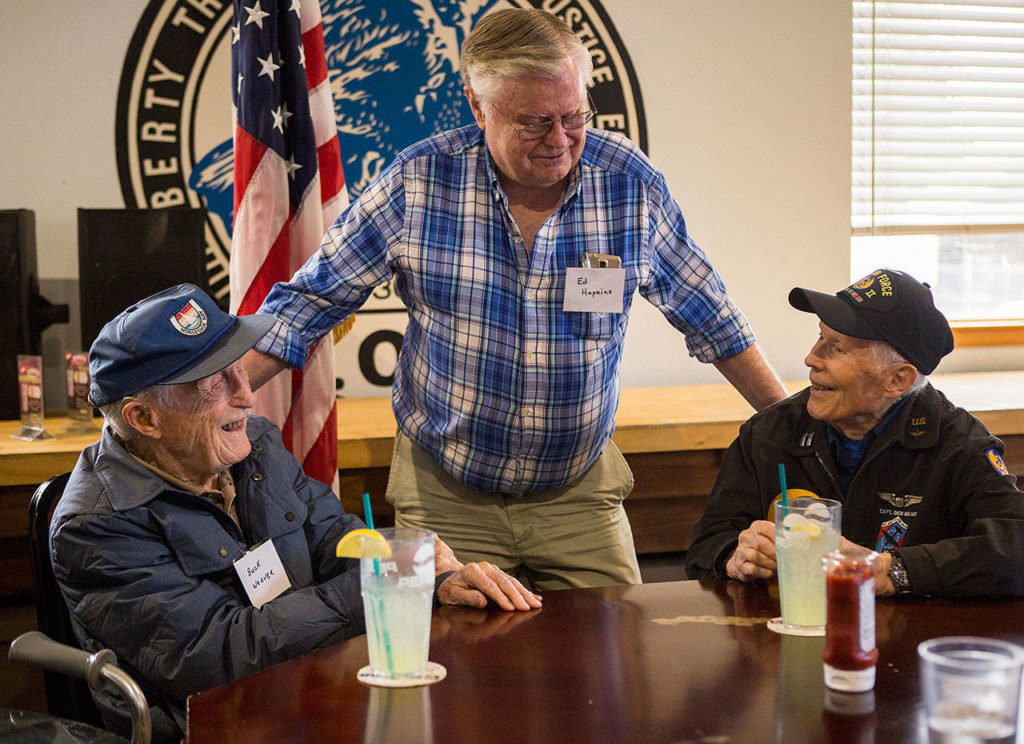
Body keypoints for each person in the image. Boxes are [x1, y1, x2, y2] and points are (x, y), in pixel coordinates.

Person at [244, 8, 787, 590]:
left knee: (620, 662)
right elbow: (305, 307)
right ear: (479, 109)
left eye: (573, 115)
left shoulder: (627, 182)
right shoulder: (418, 183)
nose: (560, 140)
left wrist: (792, 427)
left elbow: (712, 317)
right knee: (445, 666)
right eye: (533, 122)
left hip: (579, 497)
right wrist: (211, 395)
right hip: (445, 498)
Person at [50, 284, 540, 744]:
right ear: (144, 418)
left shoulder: (254, 444)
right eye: (214, 383)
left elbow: (335, 539)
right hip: (213, 726)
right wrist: (379, 584)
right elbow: (220, 655)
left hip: (310, 694)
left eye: (238, 367)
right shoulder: (95, 525)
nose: (246, 393)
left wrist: (425, 577)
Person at [685, 268, 1024, 597]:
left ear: (897, 380)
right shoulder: (768, 433)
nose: (810, 358)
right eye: (820, 337)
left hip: (909, 646)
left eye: (837, 348)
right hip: (785, 637)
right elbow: (706, 546)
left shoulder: (959, 444)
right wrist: (735, 555)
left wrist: (892, 570)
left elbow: (1015, 546)